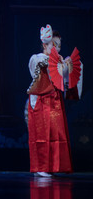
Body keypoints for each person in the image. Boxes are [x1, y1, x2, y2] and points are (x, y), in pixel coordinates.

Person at [27, 24, 83, 177]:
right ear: (45, 44)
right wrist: (58, 63)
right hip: (41, 101)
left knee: (56, 134)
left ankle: (55, 166)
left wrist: (68, 65)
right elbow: (39, 67)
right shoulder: (37, 58)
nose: (58, 48)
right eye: (54, 44)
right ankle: (41, 166)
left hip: (55, 101)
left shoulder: (57, 61)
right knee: (42, 134)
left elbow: (65, 77)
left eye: (59, 45)